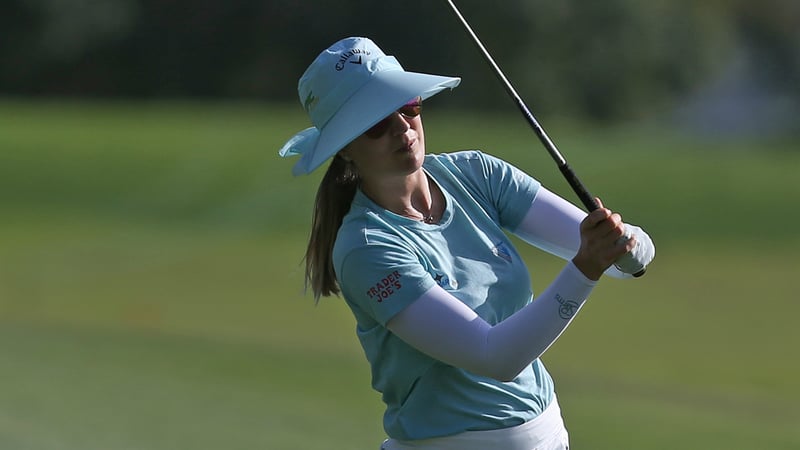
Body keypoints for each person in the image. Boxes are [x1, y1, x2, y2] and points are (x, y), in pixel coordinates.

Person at [278, 37, 655, 450]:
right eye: (376, 124)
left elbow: (626, 253)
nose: (404, 128)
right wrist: (585, 268)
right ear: (345, 149)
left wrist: (627, 248)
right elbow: (495, 357)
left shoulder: (476, 173)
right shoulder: (364, 247)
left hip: (549, 435)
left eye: (408, 107)